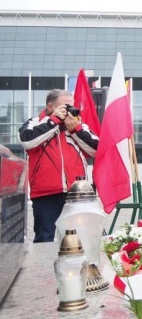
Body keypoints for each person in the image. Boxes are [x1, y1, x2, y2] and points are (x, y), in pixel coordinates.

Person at [19, 89, 99, 243]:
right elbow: (27, 141)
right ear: (50, 107)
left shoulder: (78, 126)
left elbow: (97, 150)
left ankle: (78, 267)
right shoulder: (35, 123)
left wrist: (75, 130)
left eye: (72, 107)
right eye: (65, 107)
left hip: (76, 193)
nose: (70, 111)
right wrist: (53, 121)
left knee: (79, 238)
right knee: (44, 238)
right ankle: (42, 268)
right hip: (45, 194)